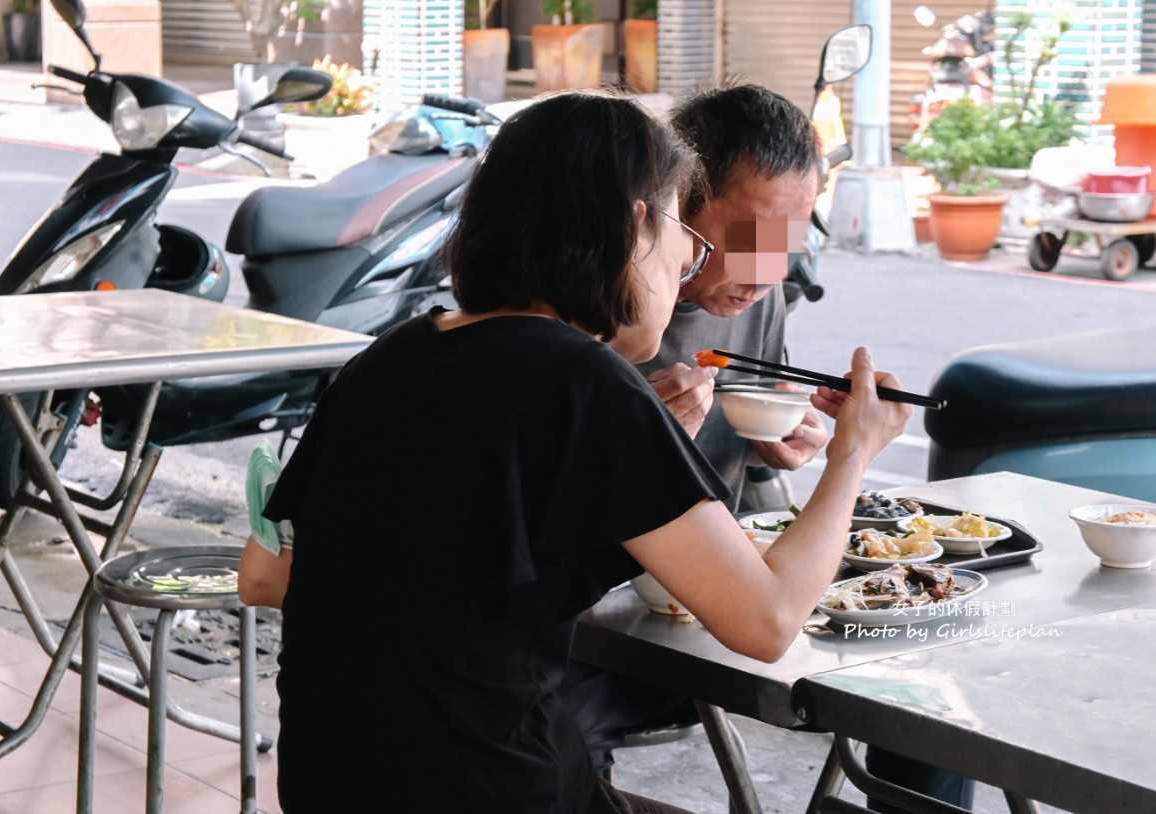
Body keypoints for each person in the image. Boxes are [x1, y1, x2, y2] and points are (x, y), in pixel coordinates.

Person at [238, 89, 910, 813]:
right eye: (688, 232)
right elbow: (768, 622)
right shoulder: (583, 383)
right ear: (634, 227)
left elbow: (269, 575)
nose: (688, 261)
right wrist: (852, 453)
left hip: (328, 782)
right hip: (481, 786)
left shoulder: (394, 354)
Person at [564, 83, 973, 813]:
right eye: (749, 237)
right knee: (549, 731)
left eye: (788, 244)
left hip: (720, 609)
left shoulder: (759, 300)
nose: (767, 271)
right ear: (672, 206)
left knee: (927, 678)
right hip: (600, 630)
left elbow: (744, 453)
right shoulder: (591, 326)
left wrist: (779, 445)